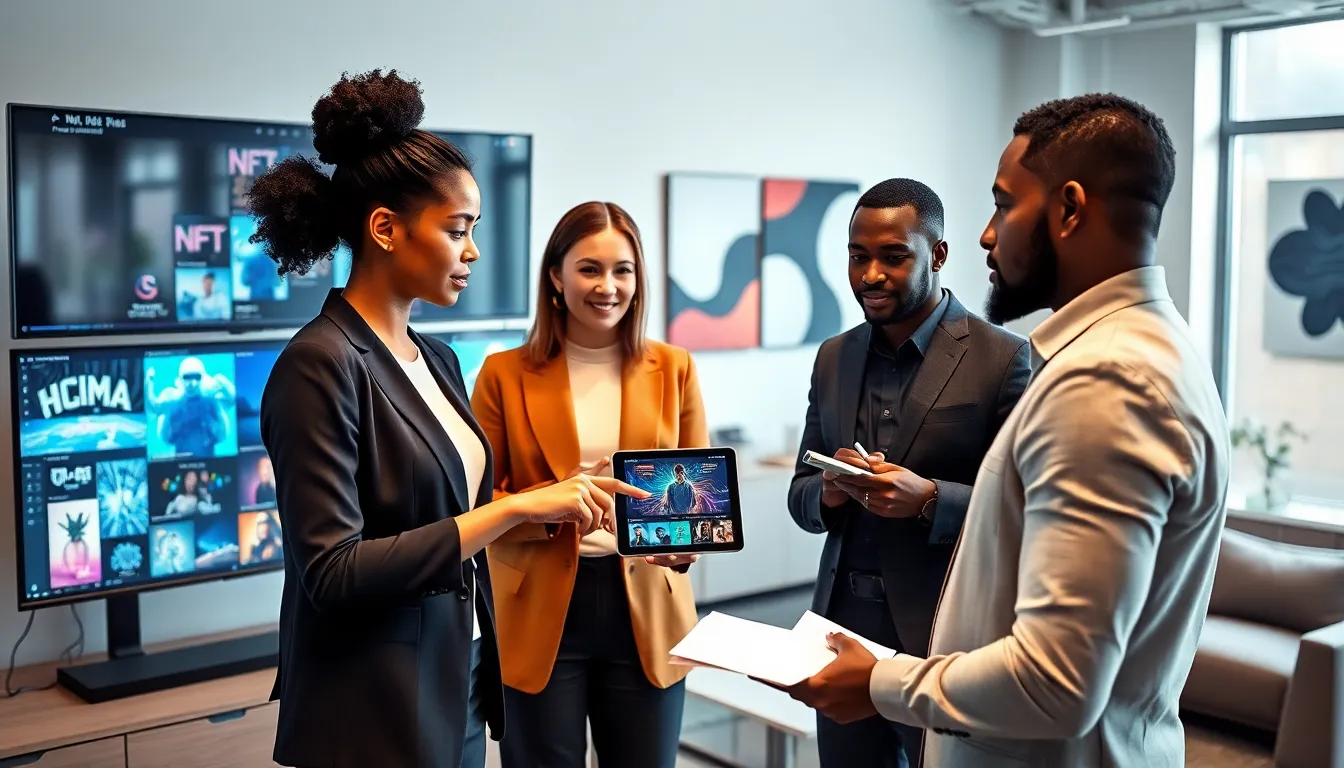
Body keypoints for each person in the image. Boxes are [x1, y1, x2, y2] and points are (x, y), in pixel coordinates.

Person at [785, 94, 1230, 768]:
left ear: (1070, 208)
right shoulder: (1141, 350)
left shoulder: (1106, 380)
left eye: (1002, 205)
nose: (988, 236)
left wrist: (882, 683)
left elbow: (1057, 681)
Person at [247, 71, 650, 768]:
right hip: (369, 705)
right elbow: (333, 573)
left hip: (453, 678)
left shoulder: (436, 357)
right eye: (458, 230)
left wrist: (544, 509)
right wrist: (512, 510)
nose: (473, 252)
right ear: (385, 229)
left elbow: (443, 511)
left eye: (475, 232)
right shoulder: (318, 364)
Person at [787, 178, 1031, 768]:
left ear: (938, 255)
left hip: (946, 634)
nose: (870, 275)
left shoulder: (1003, 357)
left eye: (893, 257)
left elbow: (1030, 510)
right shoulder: (834, 356)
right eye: (858, 256)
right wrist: (829, 491)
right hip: (839, 631)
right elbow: (799, 499)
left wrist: (930, 500)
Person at [472, 201, 705, 768]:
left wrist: (689, 541)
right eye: (589, 269)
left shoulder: (674, 367)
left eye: (622, 270)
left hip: (647, 606)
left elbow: (702, 492)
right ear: (555, 276)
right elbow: (475, 506)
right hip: (540, 608)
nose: (608, 286)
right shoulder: (502, 373)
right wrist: (553, 507)